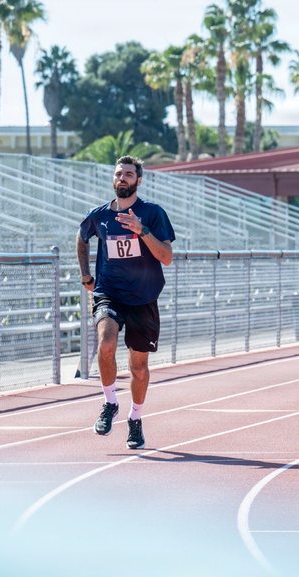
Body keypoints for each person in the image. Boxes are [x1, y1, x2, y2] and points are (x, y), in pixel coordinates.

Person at [77, 156, 175, 449]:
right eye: (119, 173)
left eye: (129, 174)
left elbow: (167, 258)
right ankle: (110, 402)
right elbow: (81, 237)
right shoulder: (99, 215)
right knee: (106, 342)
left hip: (143, 297)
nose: (122, 178)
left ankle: (135, 418)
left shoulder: (153, 213)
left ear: (138, 181)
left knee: (139, 366)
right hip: (109, 291)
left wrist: (141, 231)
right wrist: (85, 274)